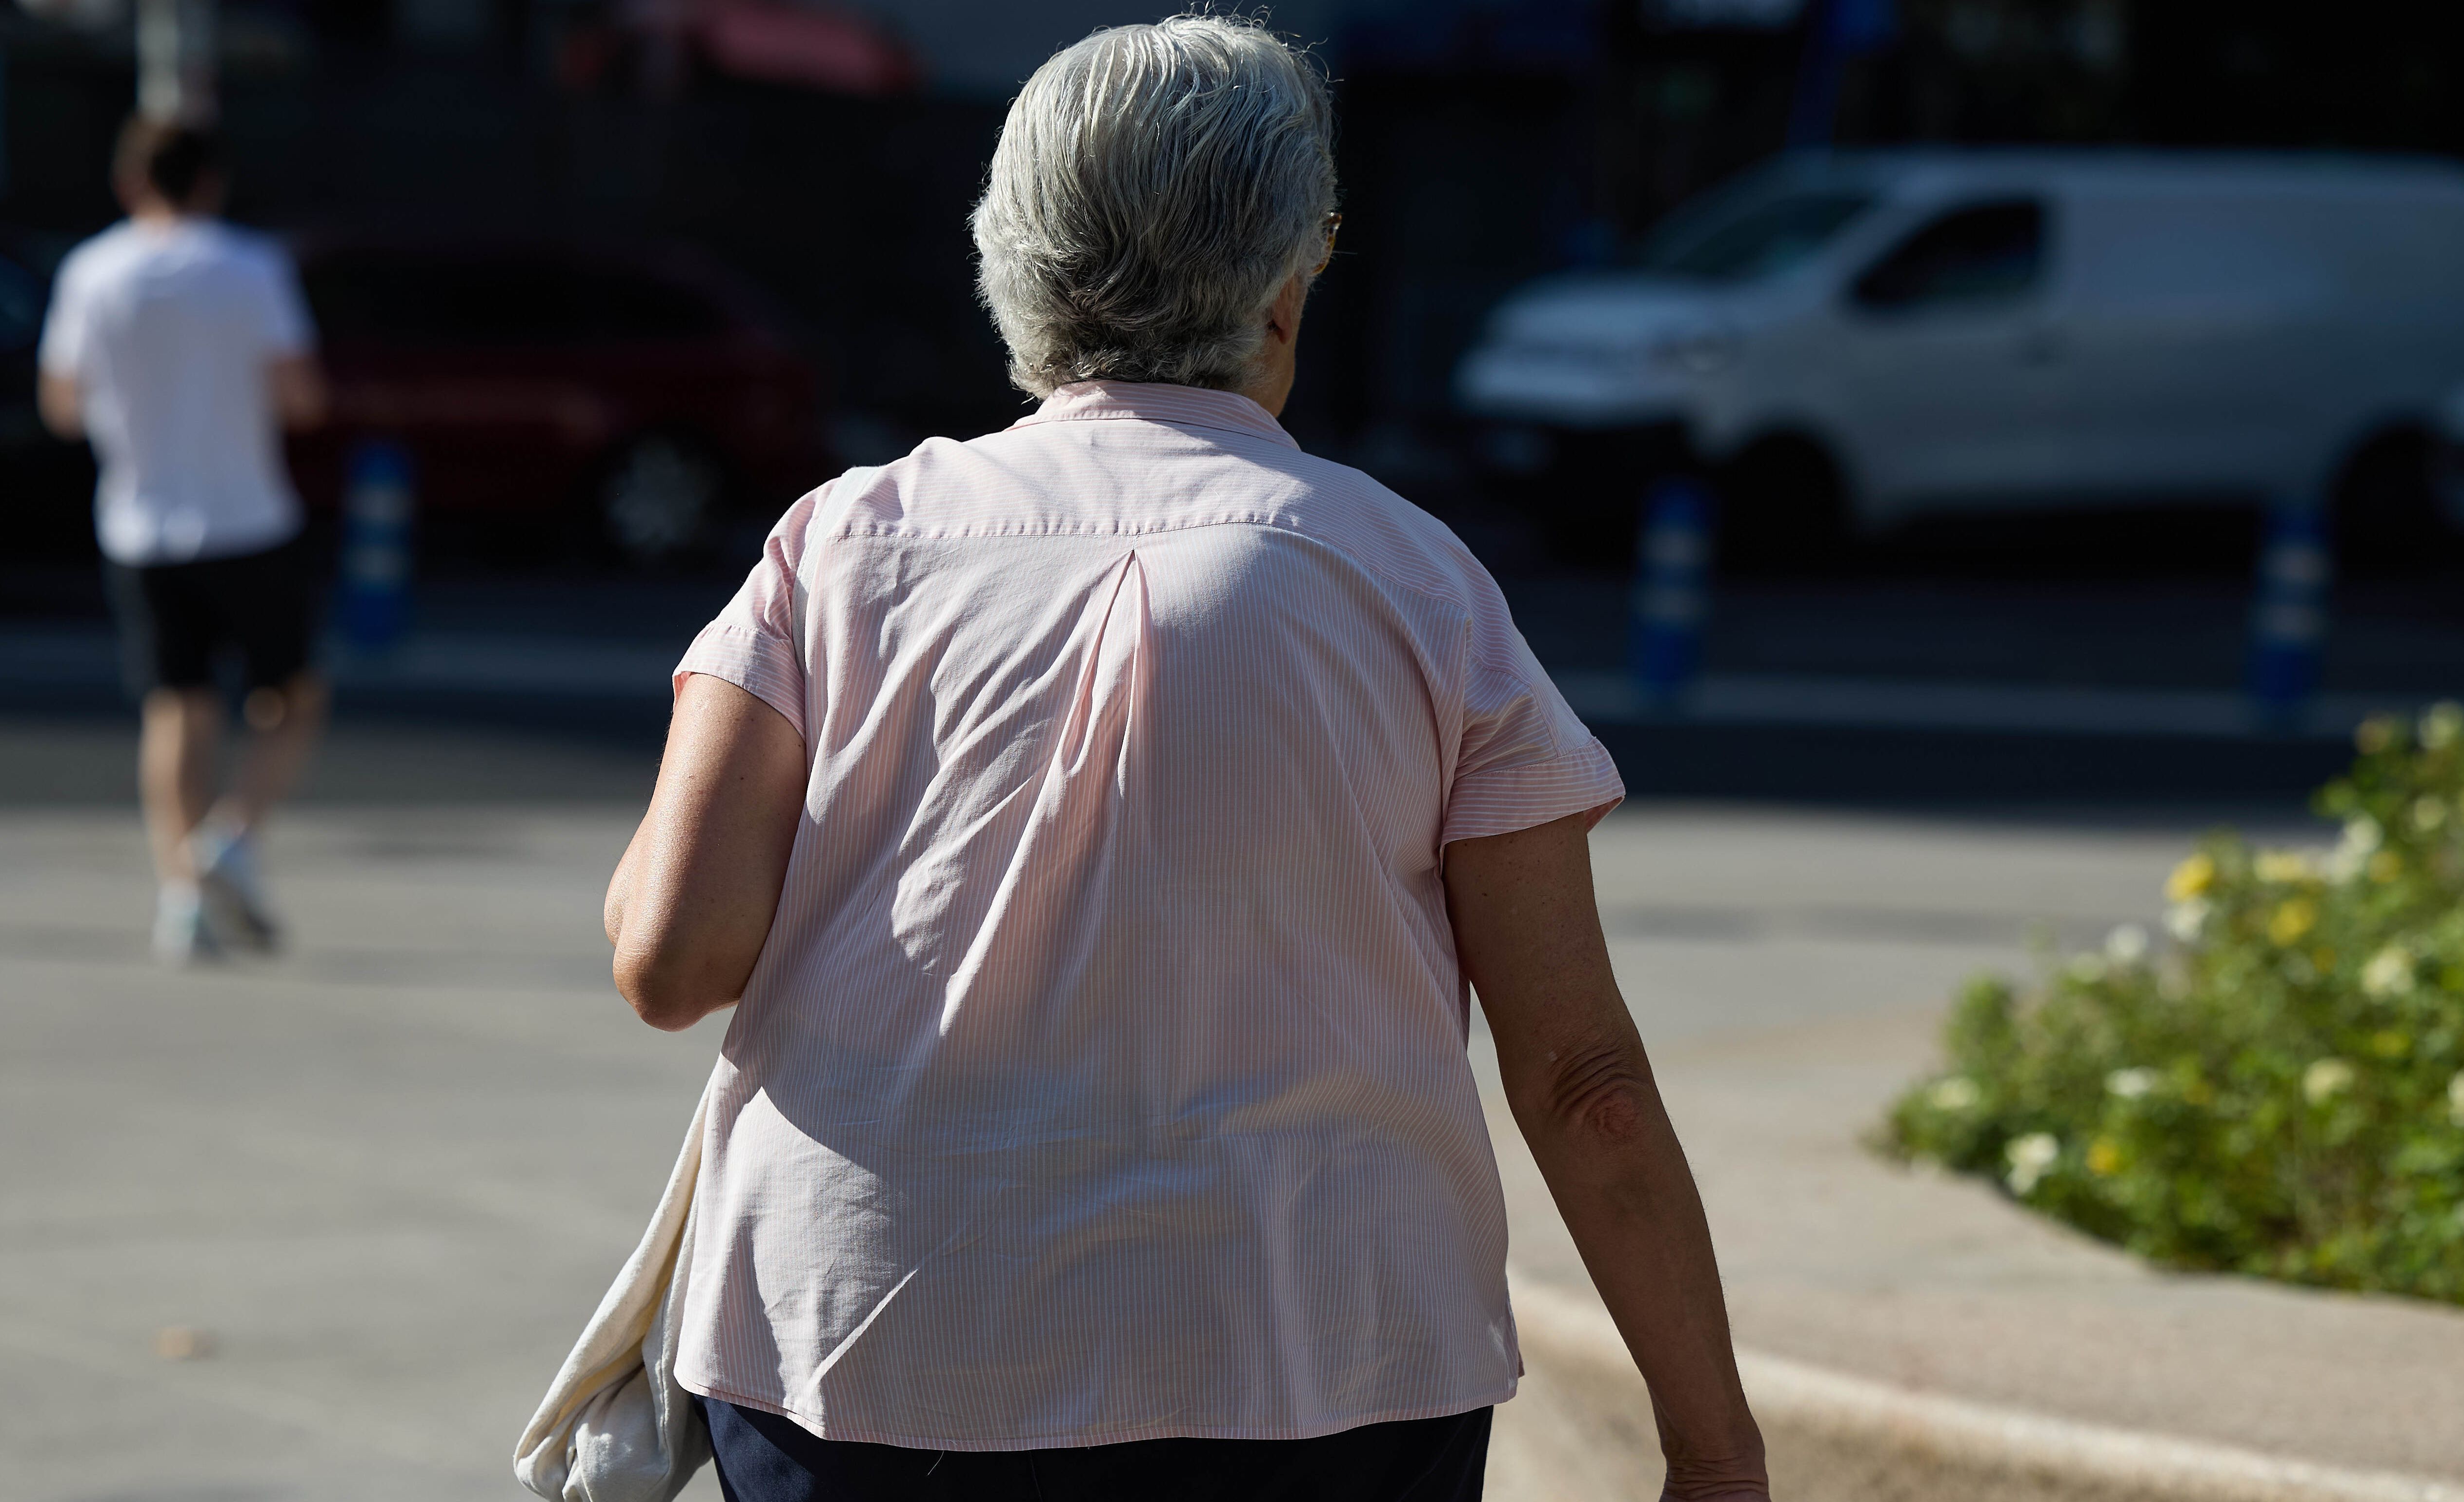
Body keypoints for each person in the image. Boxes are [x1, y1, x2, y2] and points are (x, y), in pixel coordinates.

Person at [602, 17, 1769, 1501]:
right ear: (1290, 283)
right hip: (1314, 1363)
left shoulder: (841, 545)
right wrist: (1711, 1445)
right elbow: (1583, 1074)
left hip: (871, 1345)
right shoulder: (1413, 579)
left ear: (1009, 260)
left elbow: (670, 957)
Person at [38, 117, 330, 965]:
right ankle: (231, 839)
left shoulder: (91, 271)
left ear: (130, 182)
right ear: (211, 182)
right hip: (247, 516)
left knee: (177, 709)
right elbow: (301, 396)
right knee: (293, 696)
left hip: (138, 520)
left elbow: (61, 404)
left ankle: (181, 899)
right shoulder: (252, 267)